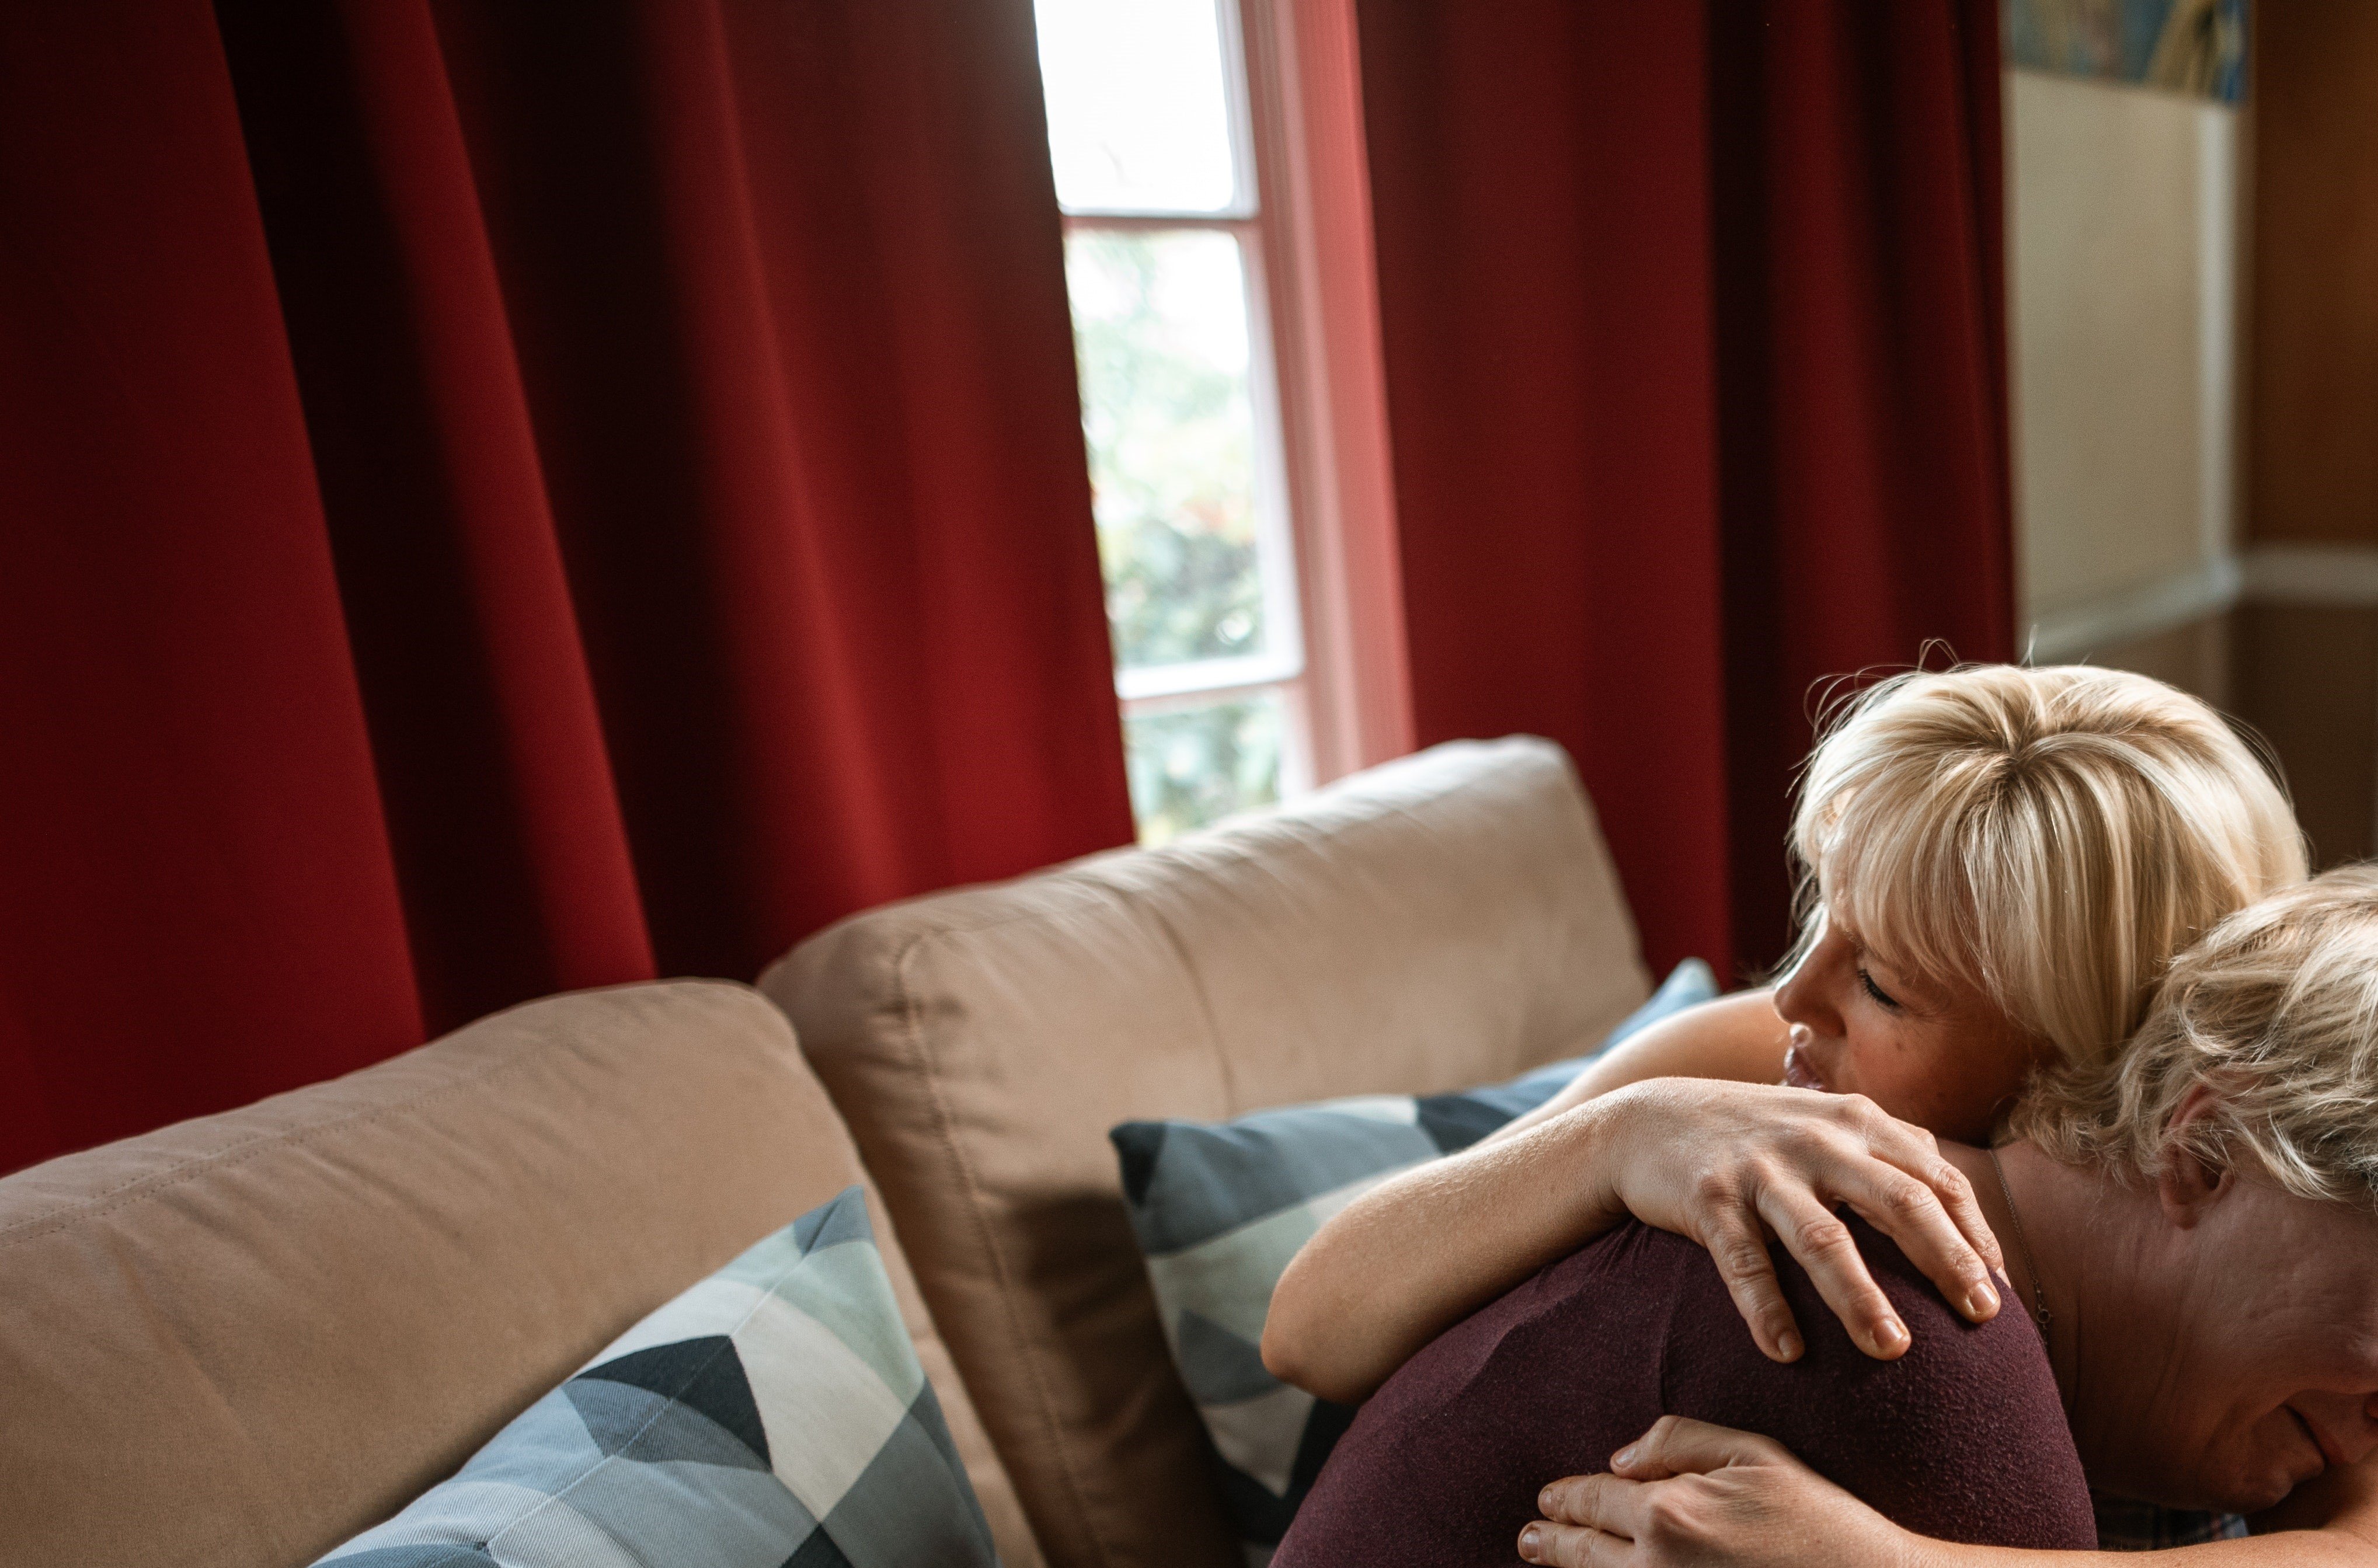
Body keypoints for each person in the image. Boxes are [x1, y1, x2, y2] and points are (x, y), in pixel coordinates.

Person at [1264, 663, 2306, 1399]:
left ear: (2087, 1067)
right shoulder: (1742, 1070)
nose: (1792, 997)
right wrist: (1620, 1135)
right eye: (1822, 915)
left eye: (1883, 988)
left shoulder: (2264, 1191)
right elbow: (1306, 1328)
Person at [1514, 868, 2378, 1566]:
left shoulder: (2302, 1411)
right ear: (2210, 1149)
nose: (1799, 998)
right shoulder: (1779, 1137)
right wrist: (1619, 1133)